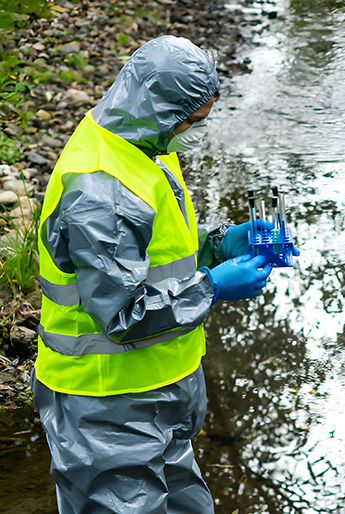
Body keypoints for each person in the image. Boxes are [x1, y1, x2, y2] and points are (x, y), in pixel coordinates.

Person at [31, 35, 276, 513]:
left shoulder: (143, 143)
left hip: (156, 393)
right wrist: (214, 286)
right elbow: (122, 314)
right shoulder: (99, 188)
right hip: (107, 404)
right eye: (192, 121)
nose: (194, 131)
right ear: (162, 109)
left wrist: (216, 244)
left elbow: (149, 250)